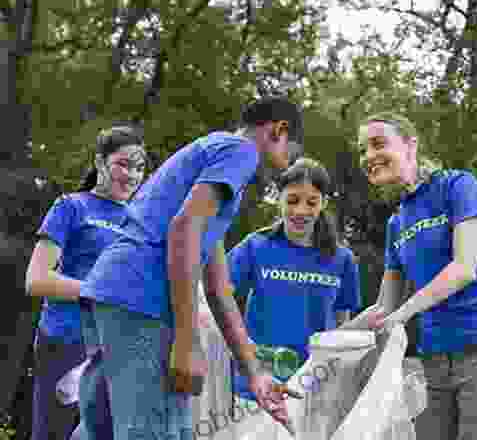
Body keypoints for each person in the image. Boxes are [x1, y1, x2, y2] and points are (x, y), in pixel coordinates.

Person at [77, 96, 305, 440]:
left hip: (110, 296)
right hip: (143, 299)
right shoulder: (239, 152)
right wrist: (186, 341)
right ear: (279, 130)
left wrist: (255, 373)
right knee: (159, 430)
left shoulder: (208, 167)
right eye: (292, 153)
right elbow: (183, 229)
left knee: (105, 430)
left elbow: (217, 289)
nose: (287, 165)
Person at [345, 112, 477, 440]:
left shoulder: (456, 186)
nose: (368, 156)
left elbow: (464, 268)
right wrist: (328, 339)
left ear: (411, 146)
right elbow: (384, 308)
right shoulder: (397, 224)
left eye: (378, 144)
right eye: (362, 150)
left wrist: (403, 314)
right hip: (436, 359)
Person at [25, 126, 147, 440]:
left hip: (118, 352)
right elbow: (36, 279)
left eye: (139, 167)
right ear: (100, 162)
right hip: (65, 342)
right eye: (123, 163)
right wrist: (102, 292)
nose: (132, 174)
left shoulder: (143, 222)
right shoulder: (72, 207)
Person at [227, 158, 361, 405]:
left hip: (315, 386)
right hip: (256, 387)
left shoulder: (342, 259)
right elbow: (217, 297)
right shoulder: (255, 246)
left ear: (324, 204)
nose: (300, 211)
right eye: (292, 200)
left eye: (312, 202)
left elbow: (343, 326)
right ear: (279, 198)